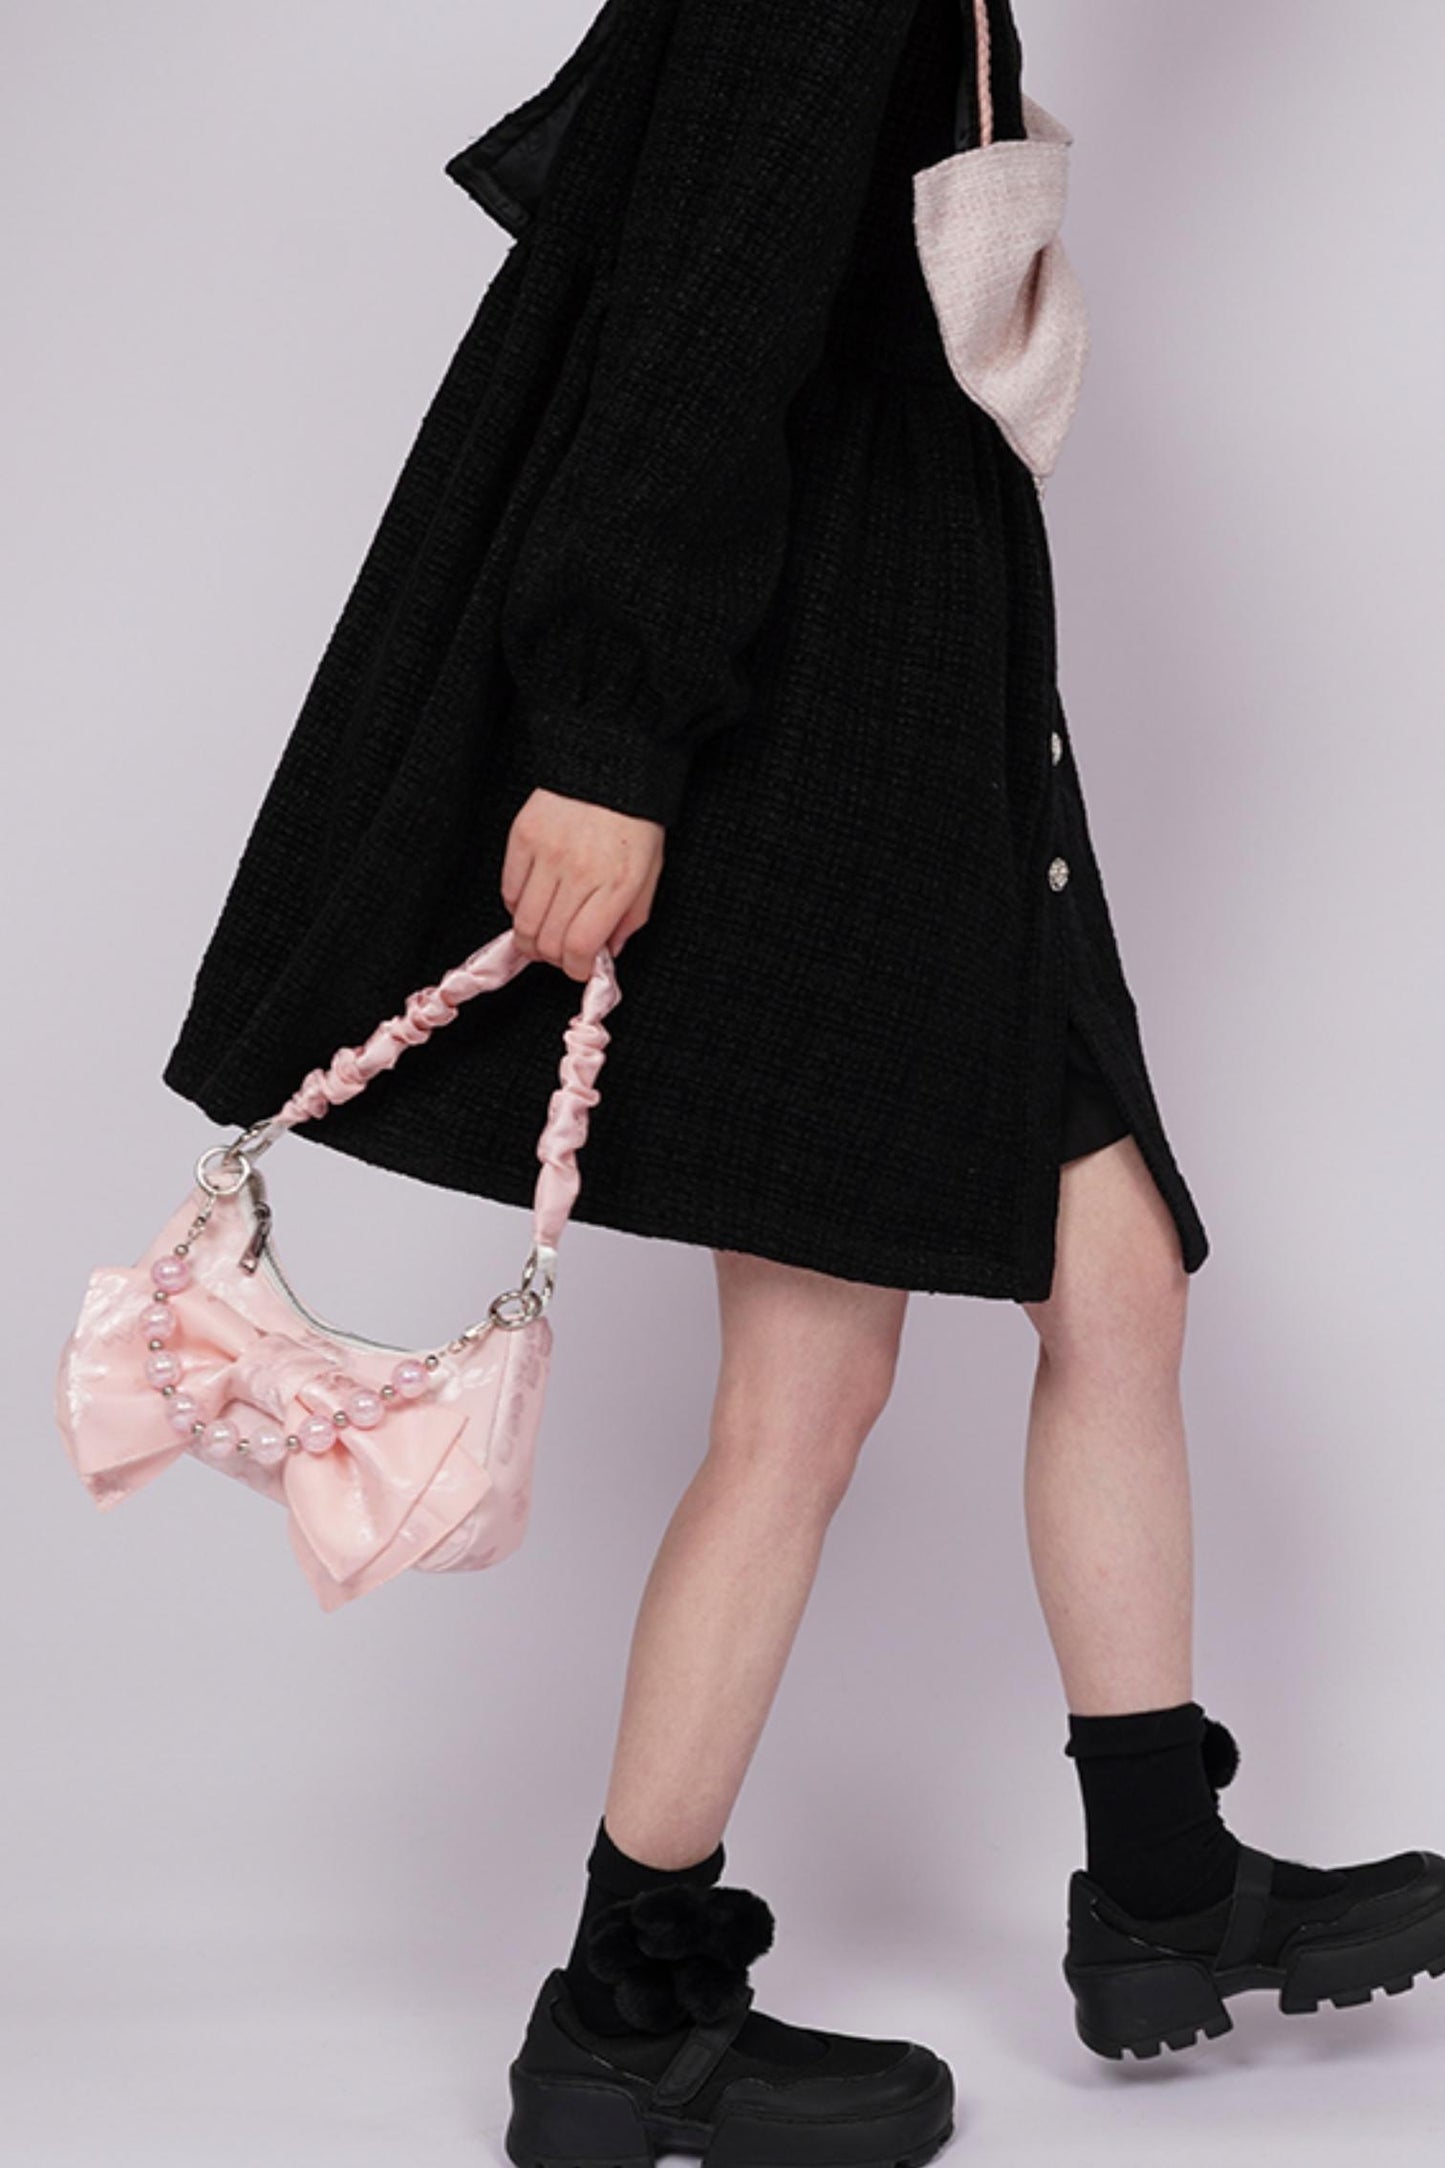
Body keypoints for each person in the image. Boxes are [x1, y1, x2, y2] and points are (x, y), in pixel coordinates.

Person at [159, 1, 1445, 2156]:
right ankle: (626, 2014)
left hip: (928, 743)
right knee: (807, 1395)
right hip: (811, 759)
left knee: (1116, 1286)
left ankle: (1162, 1886)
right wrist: (608, 738)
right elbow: (685, 321)